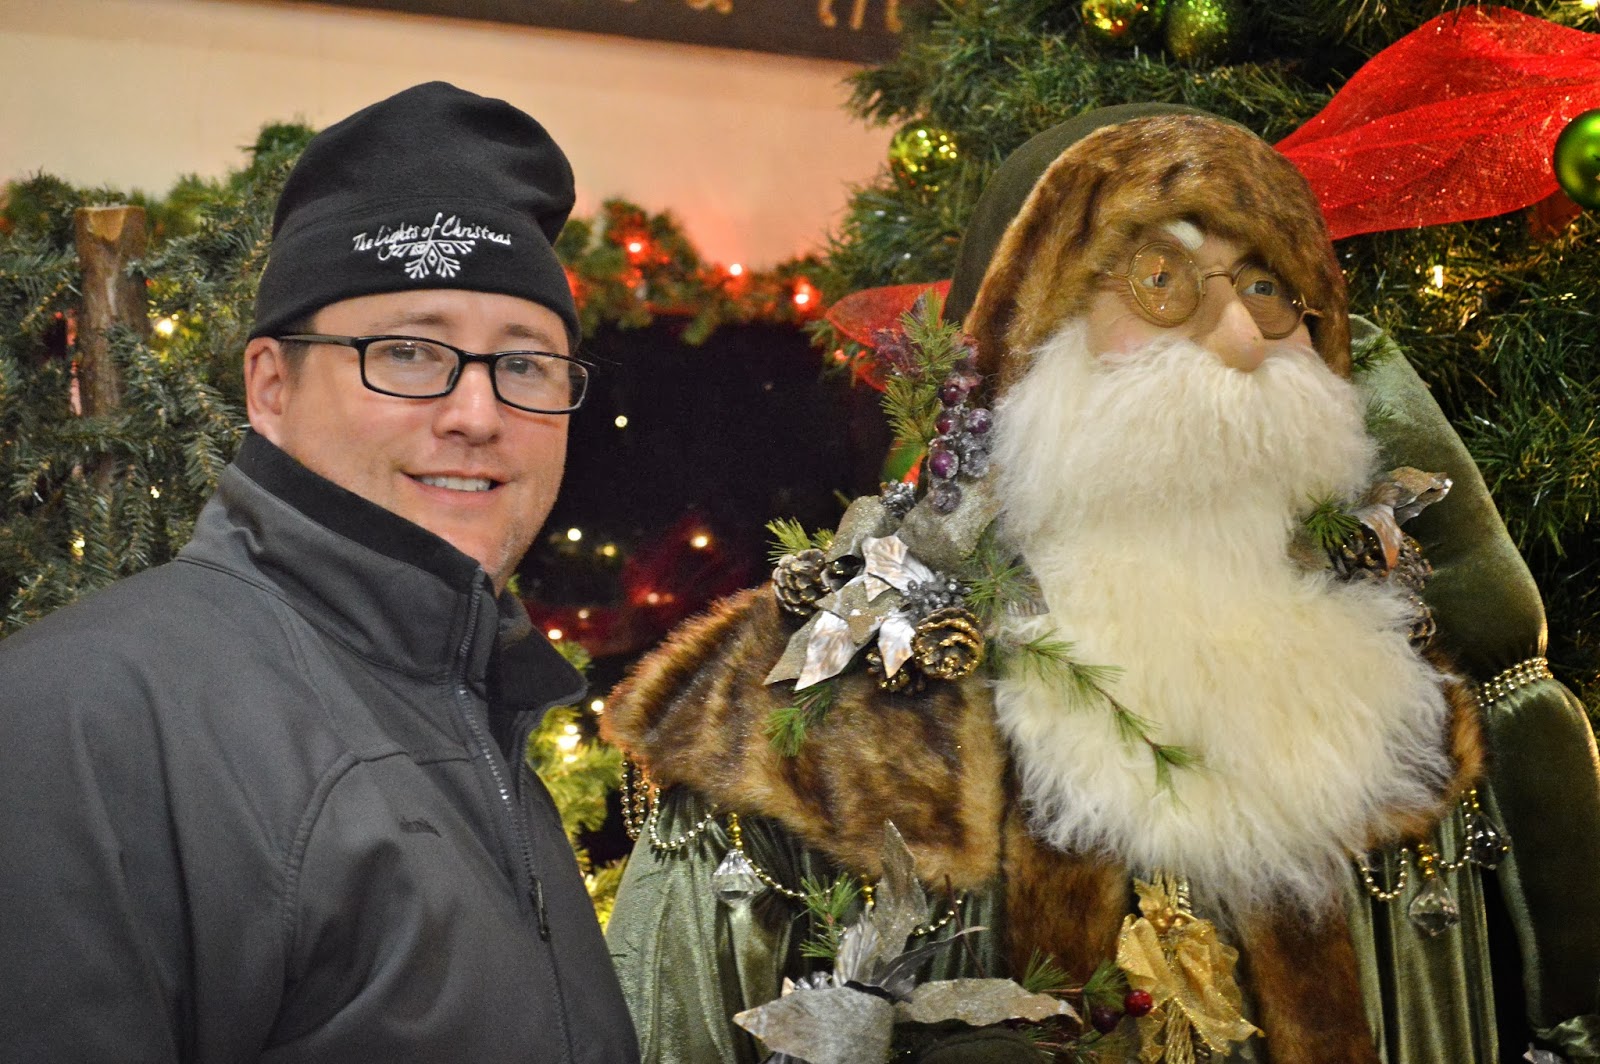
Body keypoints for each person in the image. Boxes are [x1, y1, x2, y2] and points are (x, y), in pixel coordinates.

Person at [602, 106, 1600, 1063]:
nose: (1240, 340)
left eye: (1268, 288)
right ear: (1025, 336)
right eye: (1160, 276)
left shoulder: (1413, 730)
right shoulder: (803, 724)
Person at [0, 82, 639, 1063]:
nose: (477, 412)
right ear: (269, 386)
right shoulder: (81, 719)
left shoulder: (480, 710)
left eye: (524, 364)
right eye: (410, 352)